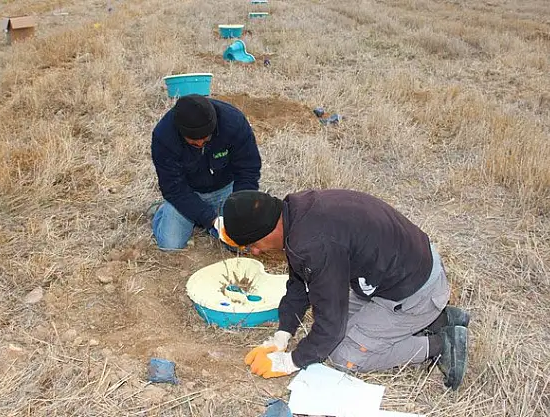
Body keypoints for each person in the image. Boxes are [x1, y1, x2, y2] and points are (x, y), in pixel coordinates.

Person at [217, 189, 470, 390]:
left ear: (269, 229)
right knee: (344, 328)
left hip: (413, 289)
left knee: (343, 355)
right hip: (401, 273)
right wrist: (283, 333)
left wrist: (292, 361)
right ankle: (439, 319)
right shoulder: (295, 212)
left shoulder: (313, 244)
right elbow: (300, 283)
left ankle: (441, 344)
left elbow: (330, 328)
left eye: (254, 244)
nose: (256, 251)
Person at [149, 94, 261, 250]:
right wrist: (211, 219)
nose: (201, 143)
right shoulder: (164, 136)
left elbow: (248, 170)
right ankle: (162, 211)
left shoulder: (233, 122)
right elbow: (174, 188)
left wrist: (241, 206)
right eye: (194, 143)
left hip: (227, 189)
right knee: (170, 245)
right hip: (189, 193)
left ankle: (209, 222)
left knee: (240, 243)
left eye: (206, 139)